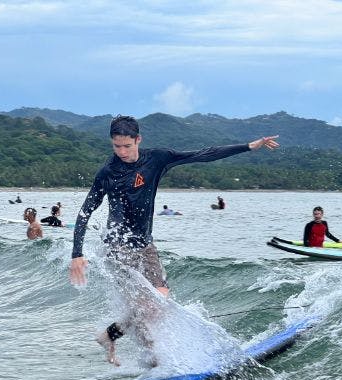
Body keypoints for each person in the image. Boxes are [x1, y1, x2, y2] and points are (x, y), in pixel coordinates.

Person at [69, 115, 279, 366]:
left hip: (146, 246)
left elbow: (204, 154)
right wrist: (76, 254)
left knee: (160, 301)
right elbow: (85, 211)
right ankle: (153, 360)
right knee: (148, 307)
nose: (122, 152)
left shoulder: (157, 159)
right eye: (116, 146)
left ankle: (109, 336)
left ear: (138, 140)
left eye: (127, 146)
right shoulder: (108, 172)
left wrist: (248, 146)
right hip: (118, 247)